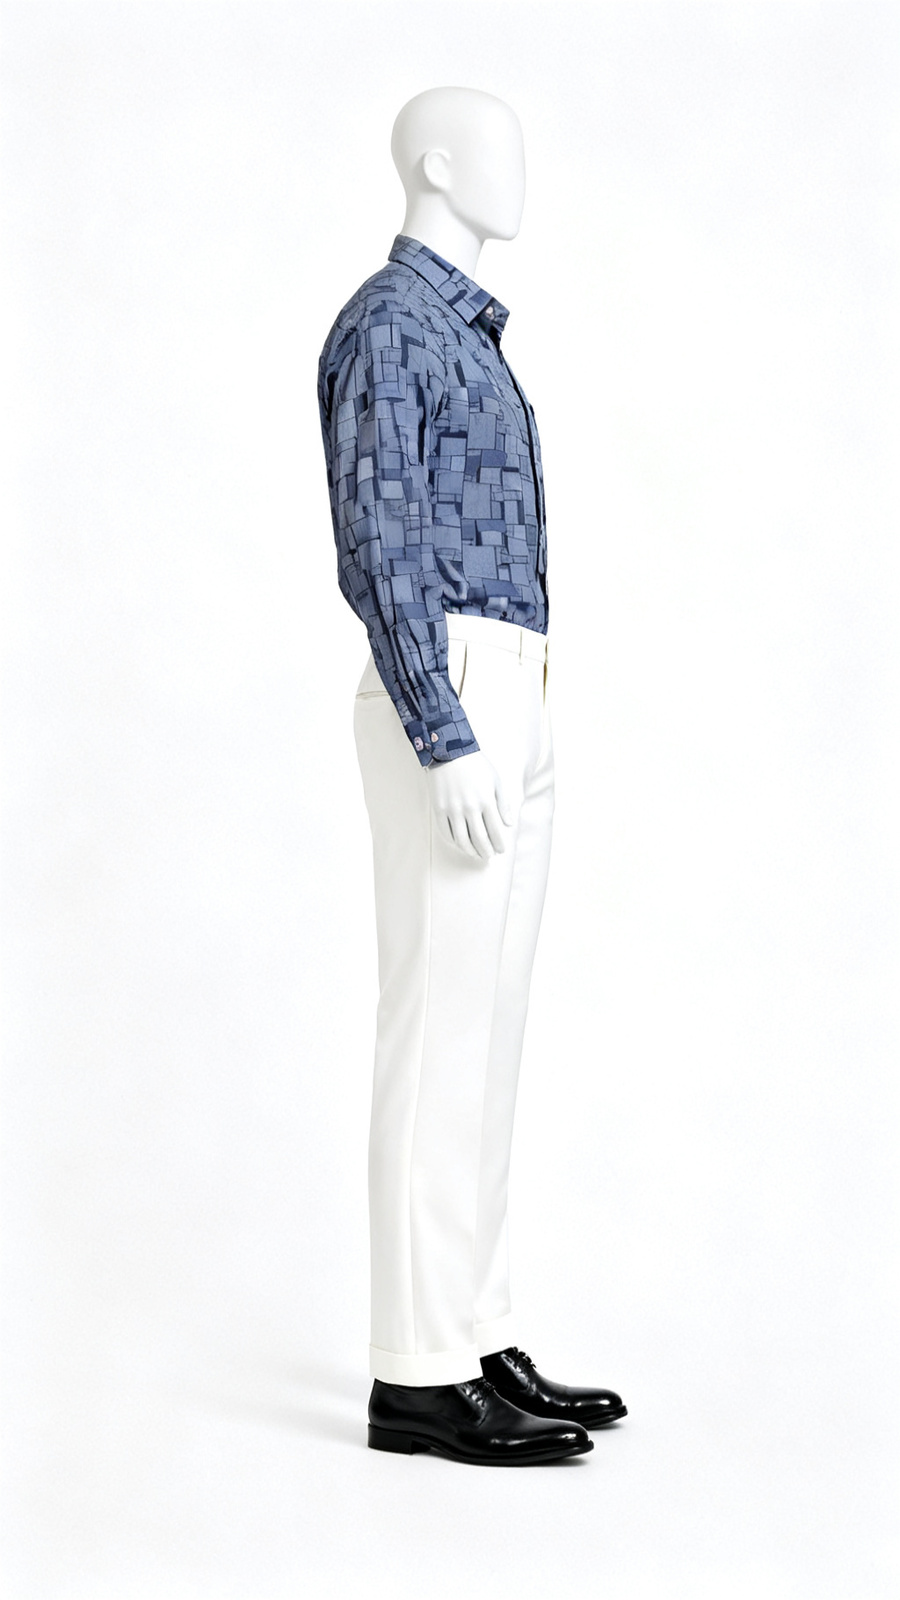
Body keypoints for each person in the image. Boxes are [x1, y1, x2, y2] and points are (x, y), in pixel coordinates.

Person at [316, 85, 626, 1466]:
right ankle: (417, 1374)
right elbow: (380, 539)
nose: (518, 167)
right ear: (435, 164)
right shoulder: (390, 325)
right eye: (493, 143)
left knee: (487, 1033)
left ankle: (474, 1327)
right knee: (438, 1026)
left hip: (516, 680)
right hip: (449, 683)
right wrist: (442, 728)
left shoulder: (467, 336)